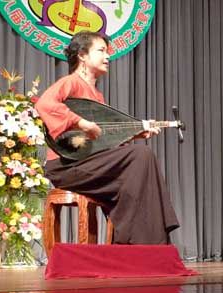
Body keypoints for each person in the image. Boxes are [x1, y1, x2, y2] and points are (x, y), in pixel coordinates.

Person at [36, 31, 179, 245]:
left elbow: (102, 142)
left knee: (140, 166)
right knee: (140, 155)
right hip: (66, 165)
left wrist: (135, 133)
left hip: (89, 163)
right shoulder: (70, 82)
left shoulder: (97, 96)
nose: (108, 56)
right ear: (82, 55)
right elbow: (44, 105)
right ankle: (133, 243)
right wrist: (80, 122)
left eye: (107, 52)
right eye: (101, 51)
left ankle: (144, 244)